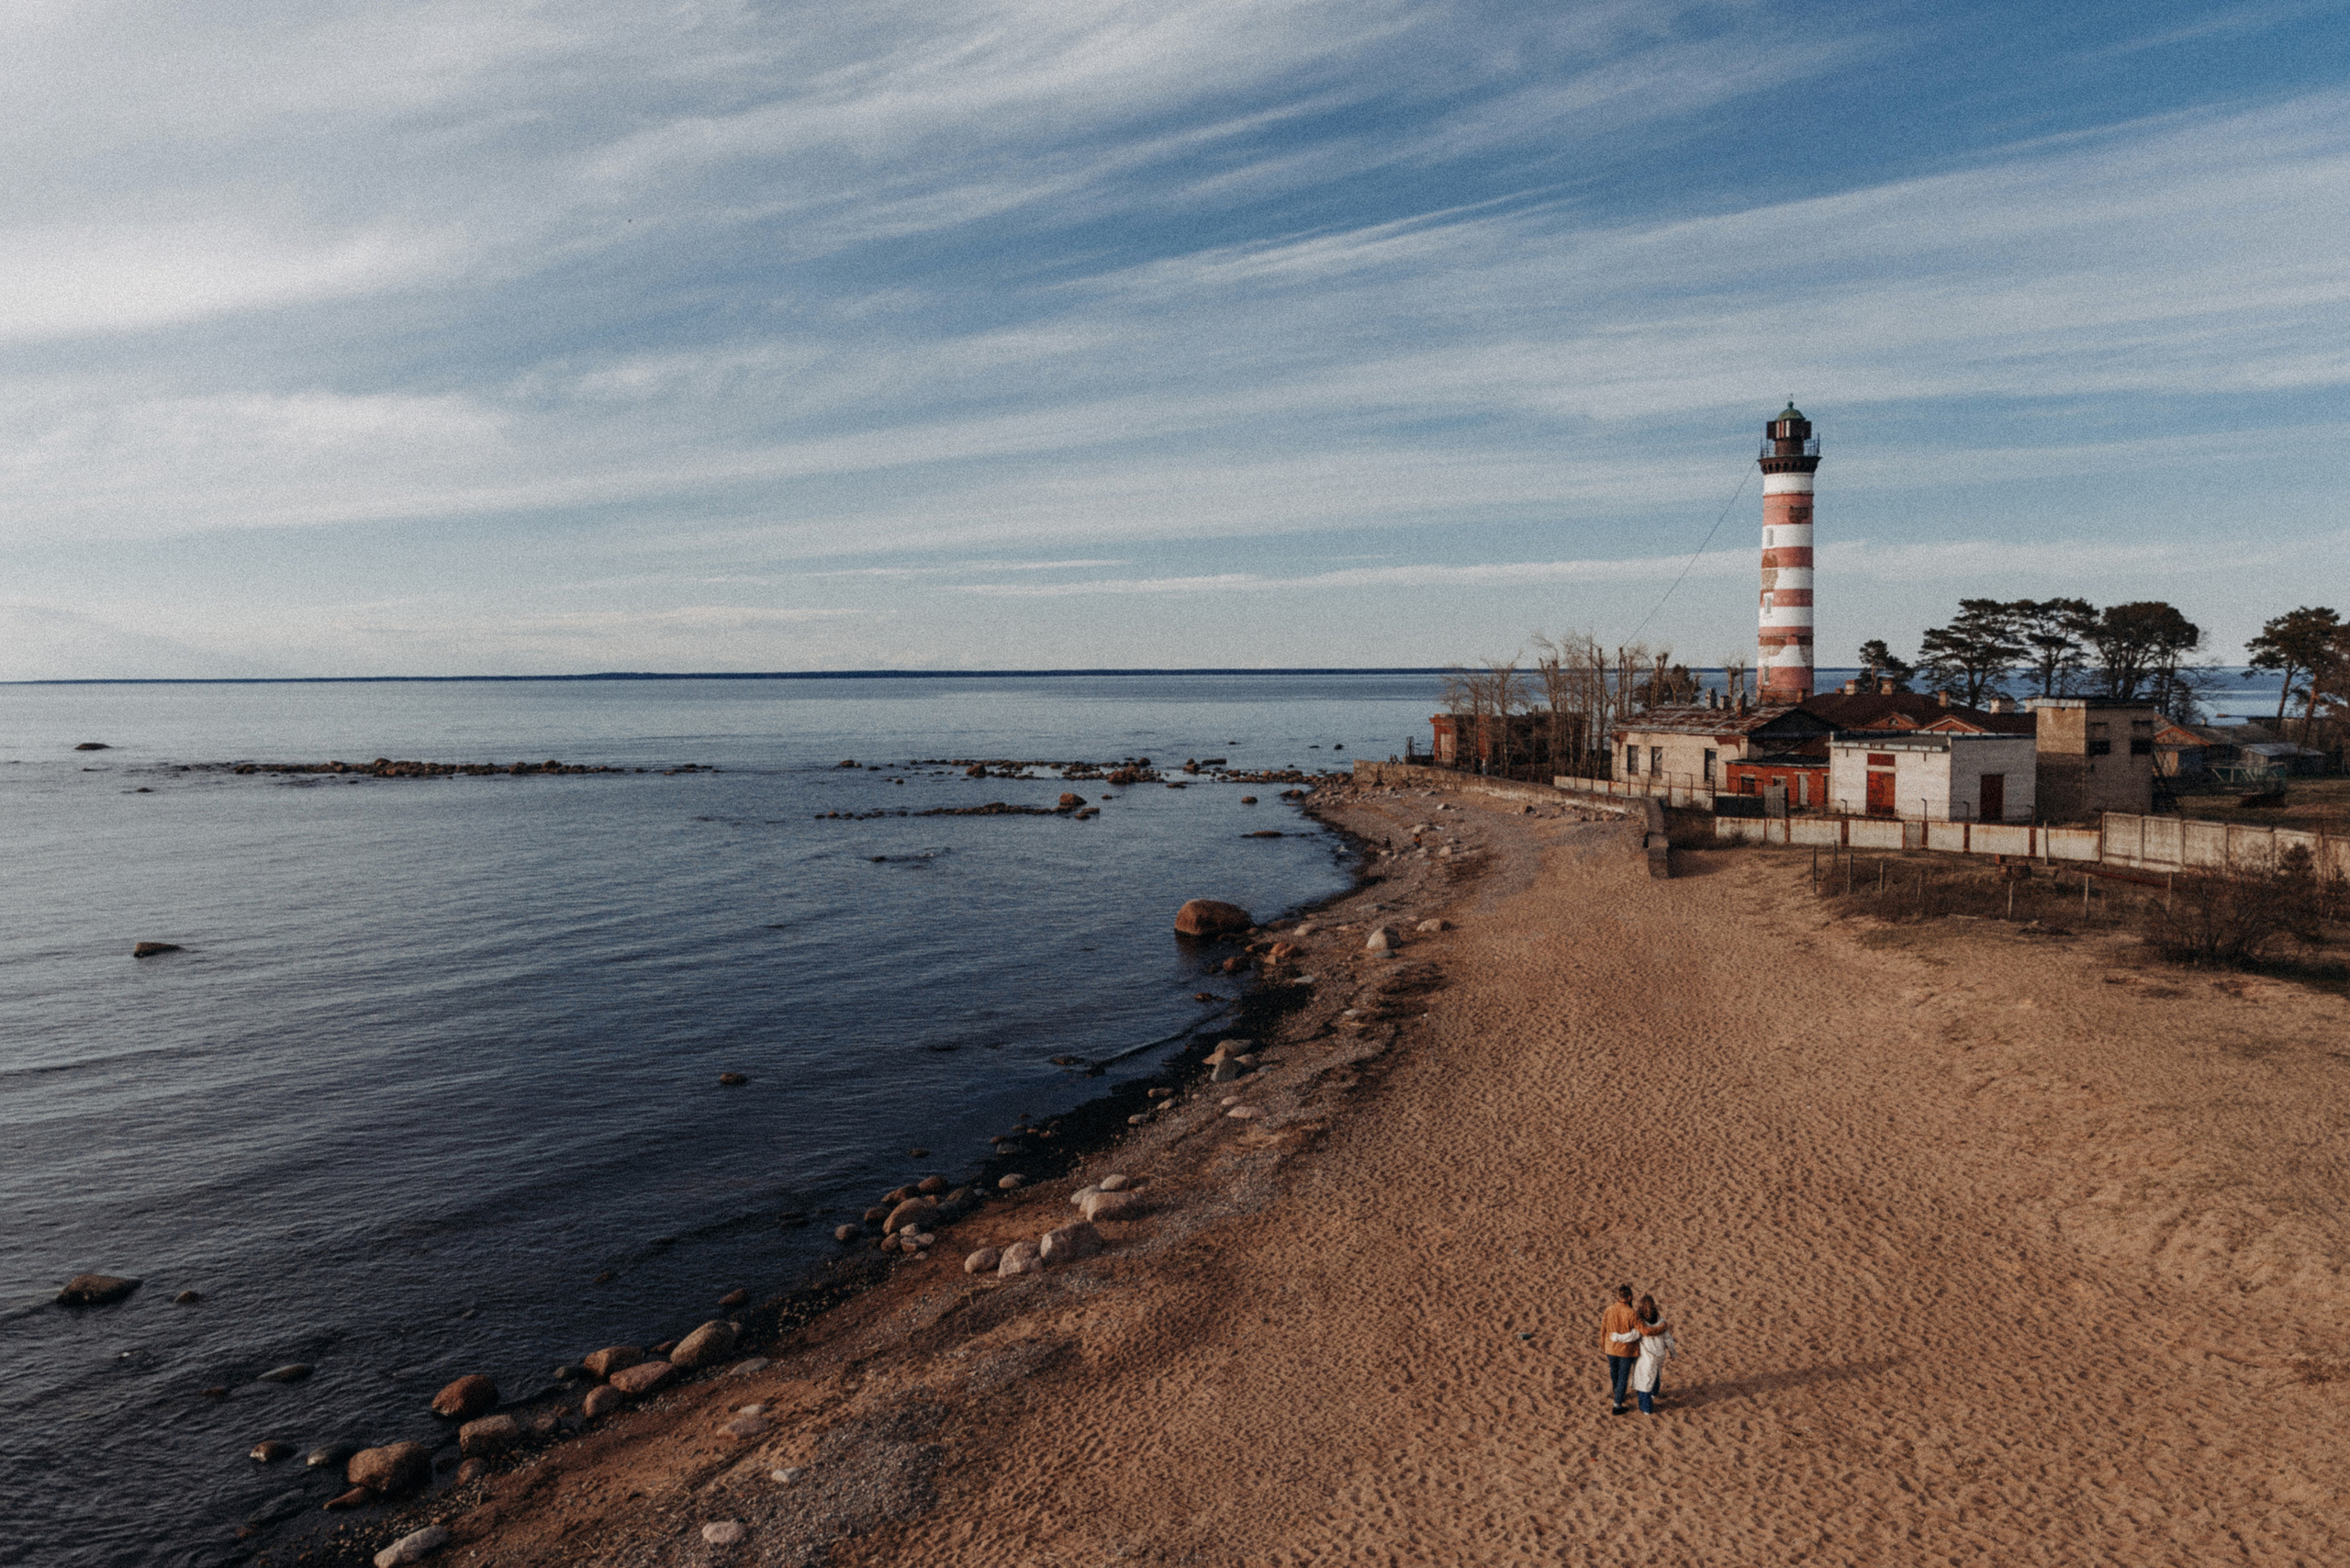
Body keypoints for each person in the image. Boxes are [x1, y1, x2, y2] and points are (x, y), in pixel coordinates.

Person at [1600, 1284, 1640, 1415]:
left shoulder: (1609, 1309)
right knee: (1623, 1376)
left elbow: (1603, 1329)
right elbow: (1637, 1332)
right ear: (1629, 1297)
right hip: (1625, 1350)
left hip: (1610, 1347)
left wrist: (1603, 1345)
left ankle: (1616, 1392)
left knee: (1614, 1371)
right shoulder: (1631, 1313)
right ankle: (1617, 1405)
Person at [1631, 1295, 1673, 1415]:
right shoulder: (1661, 1321)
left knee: (1644, 1381)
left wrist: (1617, 1337)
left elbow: (1633, 1336)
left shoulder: (1641, 1324)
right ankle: (1655, 1393)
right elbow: (1668, 1339)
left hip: (1646, 1356)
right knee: (1656, 1373)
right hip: (1660, 1354)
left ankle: (1647, 1408)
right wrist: (1672, 1353)